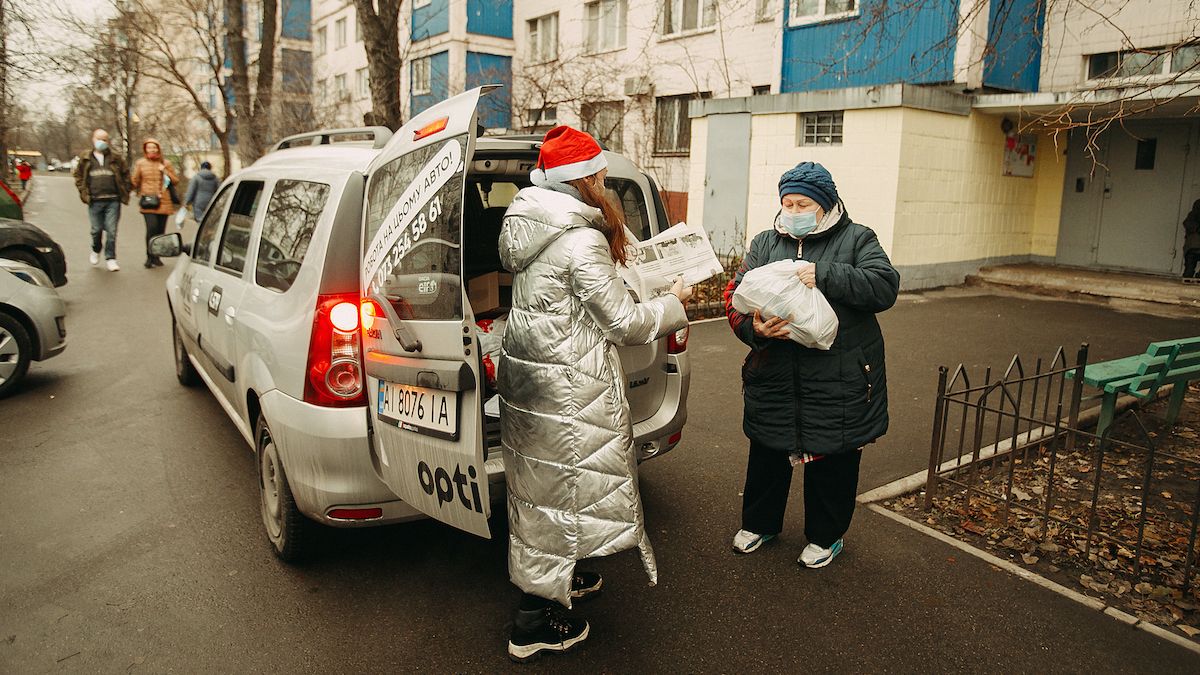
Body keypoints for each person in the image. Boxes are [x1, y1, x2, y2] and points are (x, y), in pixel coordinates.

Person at [496, 126, 692, 662]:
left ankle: (565, 573)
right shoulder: (581, 239)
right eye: (600, 173)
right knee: (552, 494)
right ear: (582, 180)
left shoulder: (529, 226)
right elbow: (626, 323)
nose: (605, 180)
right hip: (566, 386)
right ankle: (533, 622)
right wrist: (673, 302)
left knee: (547, 487)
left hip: (533, 378)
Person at [724, 161, 899, 568]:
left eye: (802, 203)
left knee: (833, 456)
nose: (793, 210)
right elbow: (736, 293)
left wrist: (824, 274)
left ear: (824, 205)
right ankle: (760, 524)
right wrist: (755, 329)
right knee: (767, 450)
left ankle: (826, 536)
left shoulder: (857, 238)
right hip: (774, 372)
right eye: (787, 202)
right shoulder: (766, 242)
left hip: (838, 376)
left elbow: (884, 286)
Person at [72, 129, 132, 272]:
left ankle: (110, 258)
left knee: (112, 230)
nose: (102, 142)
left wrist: (125, 189)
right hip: (95, 200)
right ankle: (96, 249)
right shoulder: (86, 158)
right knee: (96, 230)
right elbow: (78, 176)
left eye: (105, 139)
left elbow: (126, 175)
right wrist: (83, 192)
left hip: (113, 200)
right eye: (99, 139)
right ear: (93, 139)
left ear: (108, 141)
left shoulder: (116, 157)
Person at [131, 139, 179, 268]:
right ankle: (149, 256)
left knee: (160, 231)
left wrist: (165, 171)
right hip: (148, 202)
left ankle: (157, 257)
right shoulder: (140, 163)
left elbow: (175, 181)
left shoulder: (166, 163)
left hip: (164, 201)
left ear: (158, 149)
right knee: (151, 228)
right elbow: (135, 181)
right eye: (149, 147)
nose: (152, 150)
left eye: (154, 147)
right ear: (145, 149)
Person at [1183, 199, 1200, 280]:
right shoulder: (1193, 216)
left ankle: (1188, 275)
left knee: (1189, 268)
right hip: (1193, 246)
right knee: (1189, 266)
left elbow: (1187, 223)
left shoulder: (1192, 215)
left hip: (1192, 247)